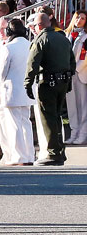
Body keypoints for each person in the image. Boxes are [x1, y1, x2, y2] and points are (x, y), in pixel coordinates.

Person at [25, 11, 76, 165]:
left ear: (39, 25)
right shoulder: (62, 38)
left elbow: (32, 63)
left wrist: (28, 83)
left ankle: (54, 153)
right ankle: (60, 150)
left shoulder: (41, 39)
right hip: (63, 82)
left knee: (48, 118)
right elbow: (72, 62)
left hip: (48, 83)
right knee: (57, 116)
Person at [0, 17, 35, 166]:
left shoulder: (8, 48)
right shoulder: (30, 45)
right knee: (26, 124)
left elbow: (1, 73)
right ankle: (29, 155)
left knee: (14, 125)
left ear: (10, 31)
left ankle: (19, 157)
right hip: (27, 91)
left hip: (11, 91)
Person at [64, 10, 87, 145]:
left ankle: (83, 134)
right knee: (72, 106)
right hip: (68, 73)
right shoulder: (68, 34)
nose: (79, 20)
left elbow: (84, 57)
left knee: (82, 106)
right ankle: (74, 132)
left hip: (80, 73)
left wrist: (75, 69)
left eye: (83, 18)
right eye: (78, 17)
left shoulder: (85, 36)